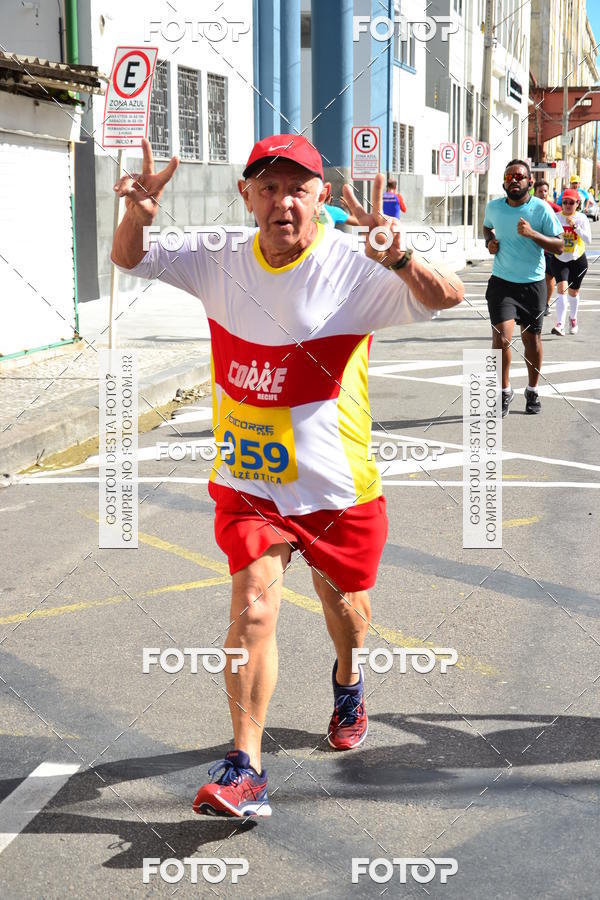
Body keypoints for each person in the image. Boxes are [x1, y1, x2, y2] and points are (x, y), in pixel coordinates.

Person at [111, 135, 464, 817]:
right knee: (252, 611)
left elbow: (445, 296)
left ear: (321, 198)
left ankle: (349, 678)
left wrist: (399, 254)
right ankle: (244, 765)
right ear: (246, 196)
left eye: (298, 188)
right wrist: (137, 213)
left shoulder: (351, 269)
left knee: (349, 619)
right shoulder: (218, 257)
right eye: (268, 187)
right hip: (252, 486)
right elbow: (129, 259)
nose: (283, 202)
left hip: (336, 492)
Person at [483, 159, 564, 416]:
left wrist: (533, 235)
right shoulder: (494, 207)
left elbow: (559, 246)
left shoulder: (540, 210)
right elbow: (487, 228)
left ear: (529, 181)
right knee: (502, 338)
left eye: (519, 176)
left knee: (532, 340)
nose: (514, 180)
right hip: (502, 283)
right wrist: (490, 241)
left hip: (532, 284)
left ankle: (532, 389)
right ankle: (504, 391)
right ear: (504, 182)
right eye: (509, 177)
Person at [549, 188, 591, 336]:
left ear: (577, 203)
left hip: (577, 260)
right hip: (559, 259)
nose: (567, 205)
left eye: (571, 202)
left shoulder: (581, 218)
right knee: (561, 289)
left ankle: (573, 319)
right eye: (564, 202)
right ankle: (559, 324)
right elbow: (549, 235)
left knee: (574, 293)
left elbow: (588, 240)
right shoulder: (555, 217)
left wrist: (575, 227)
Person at [533, 179, 561, 317]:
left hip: (548, 249)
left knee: (549, 277)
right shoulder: (529, 206)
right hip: (533, 248)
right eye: (540, 191)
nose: (543, 194)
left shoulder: (553, 208)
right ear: (535, 192)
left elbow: (563, 219)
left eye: (545, 191)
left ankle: (546, 303)